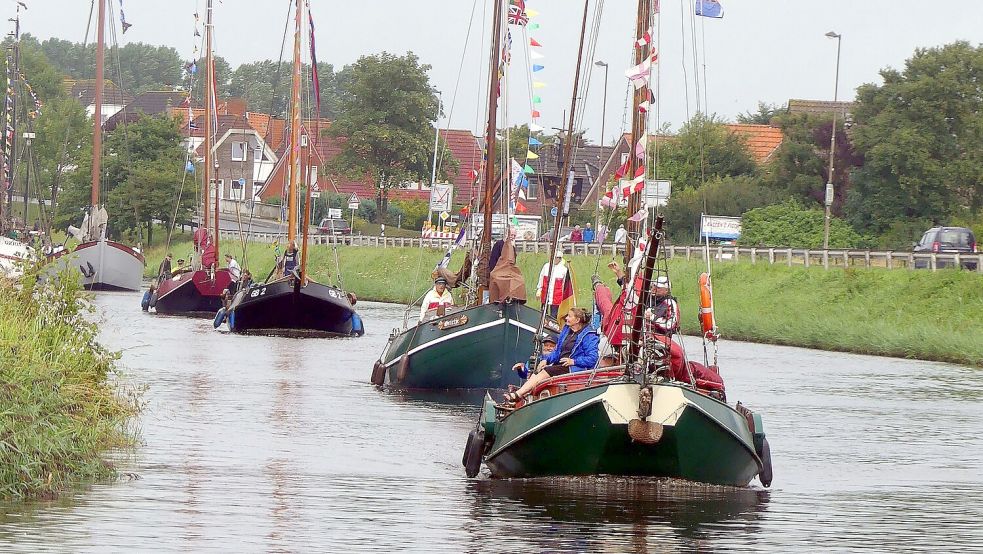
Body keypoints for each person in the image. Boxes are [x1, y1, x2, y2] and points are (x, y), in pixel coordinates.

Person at [504, 308, 599, 403]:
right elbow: (558, 351)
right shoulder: (567, 330)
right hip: (561, 365)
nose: (566, 318)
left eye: (569, 316)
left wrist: (573, 361)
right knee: (539, 370)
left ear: (577, 320)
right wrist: (547, 360)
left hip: (575, 368)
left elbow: (592, 358)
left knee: (547, 370)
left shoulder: (589, 336)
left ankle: (518, 394)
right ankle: (522, 397)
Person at [536, 252, 569, 319]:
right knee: (543, 312)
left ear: (560, 259)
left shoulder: (564, 269)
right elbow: (541, 278)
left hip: (556, 295)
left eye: (557, 258)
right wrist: (539, 289)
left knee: (554, 314)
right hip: (545, 292)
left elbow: (565, 284)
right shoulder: (546, 266)